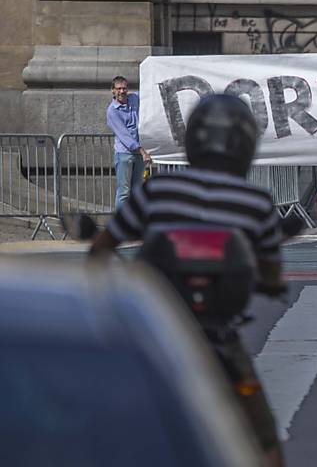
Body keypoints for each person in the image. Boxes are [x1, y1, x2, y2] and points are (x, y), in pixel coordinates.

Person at [90, 94, 285, 467]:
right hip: (220, 338)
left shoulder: (159, 191)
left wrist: (103, 285)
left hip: (161, 330)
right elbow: (272, 271)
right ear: (245, 146)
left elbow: (105, 244)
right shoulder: (255, 202)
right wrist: (271, 283)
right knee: (261, 434)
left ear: (192, 140)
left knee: (113, 418)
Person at [106, 76, 151, 207]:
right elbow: (124, 136)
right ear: (113, 91)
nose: (122, 91)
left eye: (124, 88)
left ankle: (133, 221)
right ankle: (120, 223)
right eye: (118, 89)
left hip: (139, 153)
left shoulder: (134, 98)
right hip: (125, 154)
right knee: (124, 192)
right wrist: (142, 151)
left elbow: (150, 93)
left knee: (136, 191)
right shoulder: (112, 111)